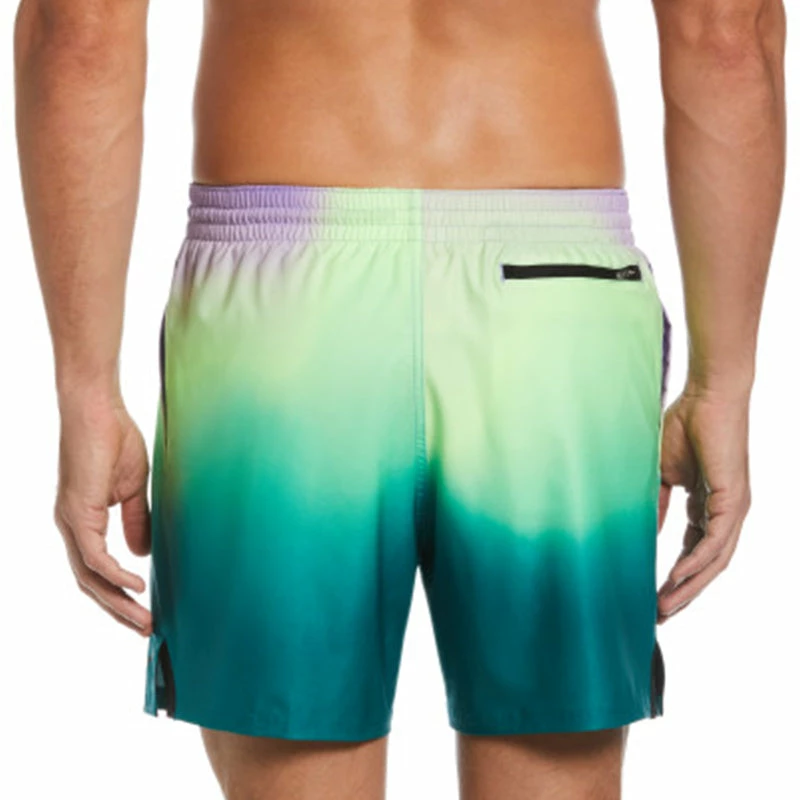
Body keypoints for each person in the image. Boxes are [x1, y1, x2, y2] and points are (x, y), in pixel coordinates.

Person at [14, 0, 786, 797]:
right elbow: (726, 31)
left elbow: (80, 29)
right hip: (554, 301)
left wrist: (86, 389)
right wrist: (721, 385)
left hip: (286, 306)